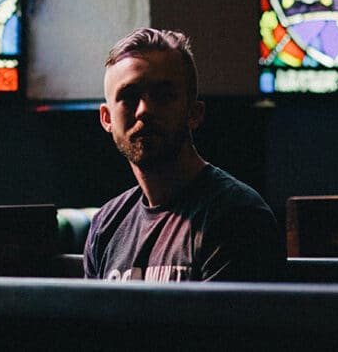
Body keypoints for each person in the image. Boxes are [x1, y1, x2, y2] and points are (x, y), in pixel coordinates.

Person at [84, 28, 284, 282]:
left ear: (194, 113)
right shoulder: (106, 226)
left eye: (163, 96)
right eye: (130, 97)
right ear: (106, 118)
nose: (144, 111)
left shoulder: (238, 217)